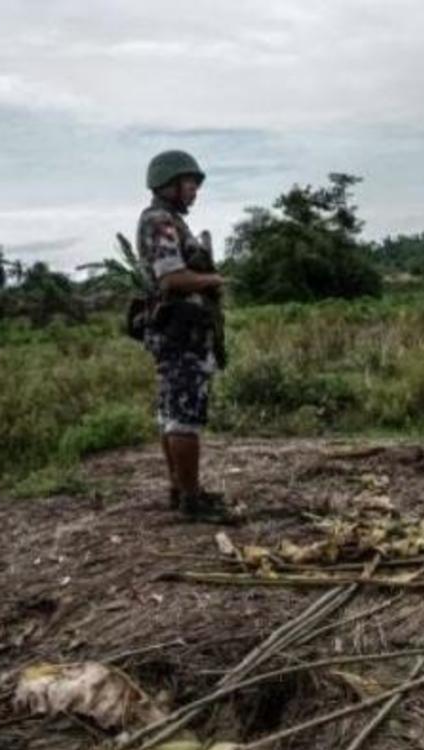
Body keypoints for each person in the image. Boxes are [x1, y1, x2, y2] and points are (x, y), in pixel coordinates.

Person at [137, 149, 235, 524]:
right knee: (184, 417)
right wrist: (214, 279)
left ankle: (181, 490)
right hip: (181, 331)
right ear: (169, 184)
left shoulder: (168, 220)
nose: (194, 191)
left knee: (171, 415)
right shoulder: (161, 221)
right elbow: (171, 277)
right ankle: (192, 499)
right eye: (189, 184)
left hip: (176, 330)